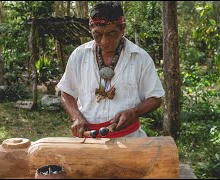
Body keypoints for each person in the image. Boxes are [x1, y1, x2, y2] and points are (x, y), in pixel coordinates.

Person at [56, 1, 165, 138]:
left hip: (129, 140)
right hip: (88, 140)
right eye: (97, 34)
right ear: (91, 28)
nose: (104, 41)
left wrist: (135, 112)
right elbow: (66, 93)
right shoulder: (79, 55)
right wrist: (77, 117)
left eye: (111, 34)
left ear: (122, 28)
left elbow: (155, 98)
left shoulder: (140, 58)